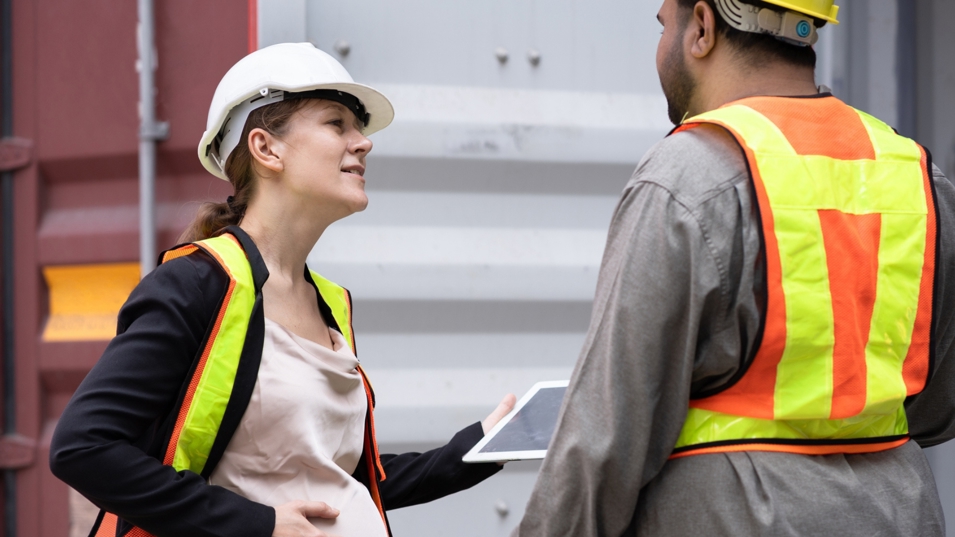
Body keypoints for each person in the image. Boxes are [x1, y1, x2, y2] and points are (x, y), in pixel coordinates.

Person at [512, 0, 955, 535]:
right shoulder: (916, 174)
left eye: (664, 26)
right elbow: (937, 406)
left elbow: (605, 443)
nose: (660, 45)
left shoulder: (688, 174)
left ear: (702, 26)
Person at [50, 42, 515, 537]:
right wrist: (258, 525)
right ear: (266, 148)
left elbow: (339, 480)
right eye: (337, 124)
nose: (364, 142)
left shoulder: (330, 302)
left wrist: (481, 446)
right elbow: (84, 447)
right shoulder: (195, 286)